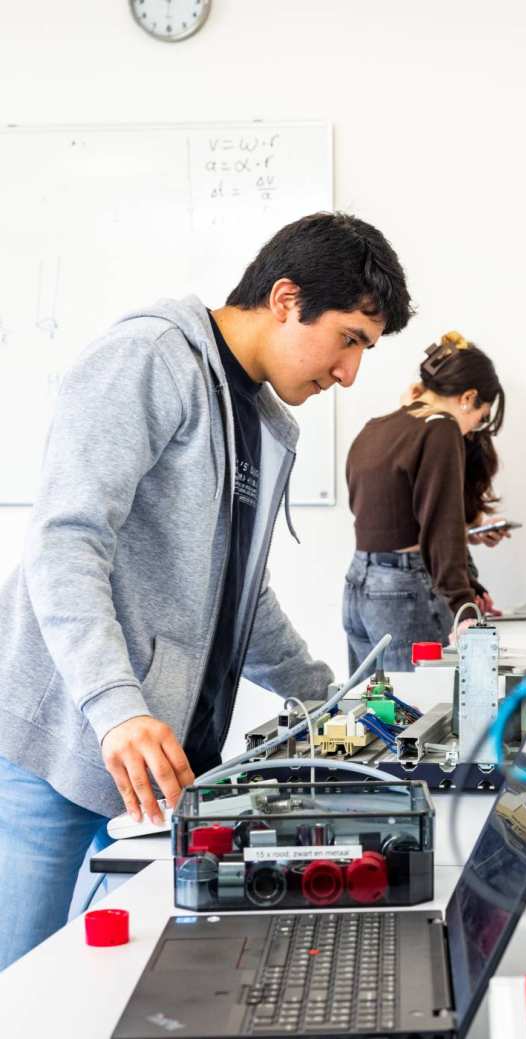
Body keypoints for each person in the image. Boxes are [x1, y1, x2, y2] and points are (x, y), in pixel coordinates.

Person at [0, 211, 412, 970]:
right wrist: (115, 706)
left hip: (152, 765)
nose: (350, 372)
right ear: (286, 299)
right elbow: (66, 539)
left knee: (107, 981)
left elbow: (240, 603)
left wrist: (333, 704)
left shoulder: (255, 418)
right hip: (61, 740)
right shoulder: (151, 357)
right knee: (23, 977)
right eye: (350, 338)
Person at [344, 332, 508, 674]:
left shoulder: (377, 427)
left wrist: (469, 585)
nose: (473, 430)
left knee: (371, 714)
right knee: (418, 714)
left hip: (360, 585)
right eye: (480, 417)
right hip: (404, 591)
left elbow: (397, 516)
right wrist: (463, 603)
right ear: (468, 398)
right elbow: (440, 525)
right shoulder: (441, 428)